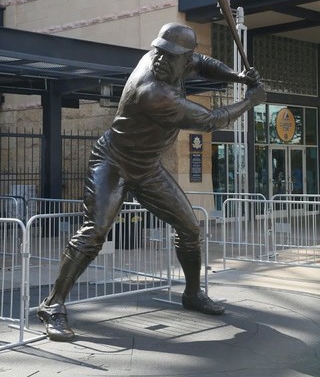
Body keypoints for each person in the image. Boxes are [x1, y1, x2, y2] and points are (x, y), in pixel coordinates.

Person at [38, 22, 266, 341]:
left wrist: (238, 77)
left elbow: (202, 63)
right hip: (113, 162)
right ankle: (52, 304)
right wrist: (250, 101)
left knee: (189, 227)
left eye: (169, 54)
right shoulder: (154, 91)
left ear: (183, 60)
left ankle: (192, 294)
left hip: (147, 167)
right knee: (95, 231)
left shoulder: (179, 64)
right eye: (158, 50)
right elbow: (211, 121)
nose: (159, 58)